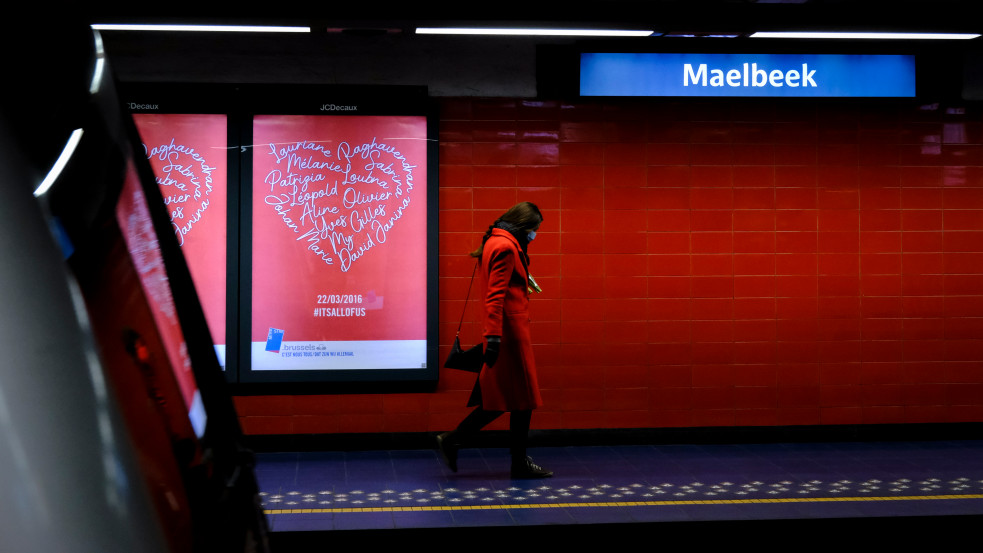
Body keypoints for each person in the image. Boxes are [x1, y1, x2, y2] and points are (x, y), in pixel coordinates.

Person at [437, 201, 552, 479]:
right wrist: (493, 338)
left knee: (509, 399)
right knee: (518, 400)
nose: (535, 235)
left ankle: (458, 441)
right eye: (534, 230)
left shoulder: (497, 241)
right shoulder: (505, 247)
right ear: (524, 227)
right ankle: (460, 442)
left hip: (508, 333)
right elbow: (494, 296)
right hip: (509, 335)